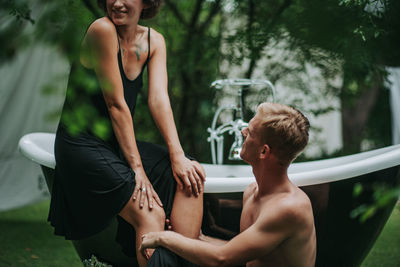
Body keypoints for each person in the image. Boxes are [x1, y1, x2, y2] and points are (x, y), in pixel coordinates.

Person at [49, 0, 205, 266]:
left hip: (115, 145)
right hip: (80, 144)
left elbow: (158, 99)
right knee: (150, 212)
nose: (117, 2)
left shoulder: (155, 41)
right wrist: (137, 168)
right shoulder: (102, 30)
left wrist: (177, 155)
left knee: (189, 179)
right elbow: (116, 104)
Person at [141, 102, 316, 267]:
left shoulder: (289, 207)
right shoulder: (252, 192)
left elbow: (222, 259)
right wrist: (198, 238)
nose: (242, 131)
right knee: (169, 255)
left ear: (264, 151)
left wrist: (164, 237)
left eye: (251, 131)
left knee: (165, 254)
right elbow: (239, 252)